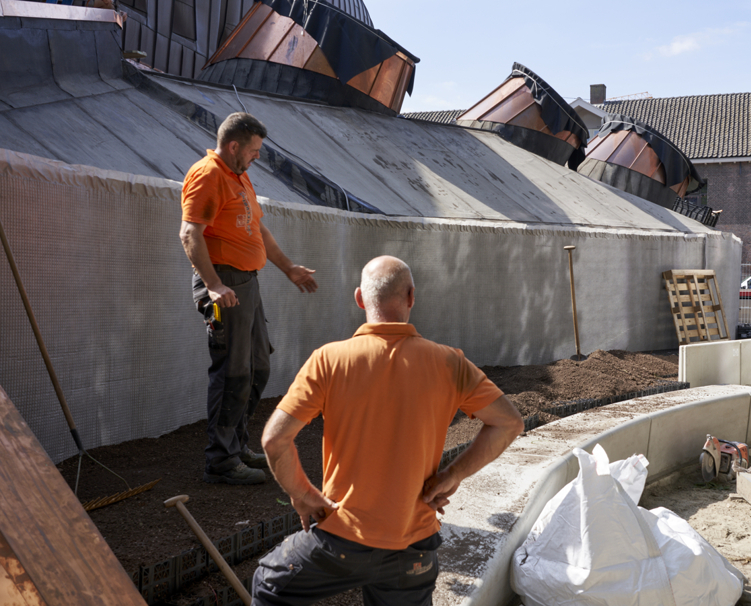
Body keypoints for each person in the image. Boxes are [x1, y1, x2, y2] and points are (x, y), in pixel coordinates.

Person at [251, 256, 524, 606]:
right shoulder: (450, 363)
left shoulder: (328, 360)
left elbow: (275, 440)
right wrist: (452, 475)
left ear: (360, 299)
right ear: (411, 296)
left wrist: (303, 493)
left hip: (342, 542)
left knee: (270, 584)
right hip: (414, 549)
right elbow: (509, 422)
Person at [180, 112, 318, 485]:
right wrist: (212, 285)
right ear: (234, 145)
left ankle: (236, 446)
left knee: (257, 368)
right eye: (254, 150)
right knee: (233, 372)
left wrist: (289, 268)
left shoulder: (239, 178)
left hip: (245, 285)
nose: (257, 156)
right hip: (224, 283)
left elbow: (257, 229)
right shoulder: (209, 175)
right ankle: (222, 462)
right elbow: (190, 233)